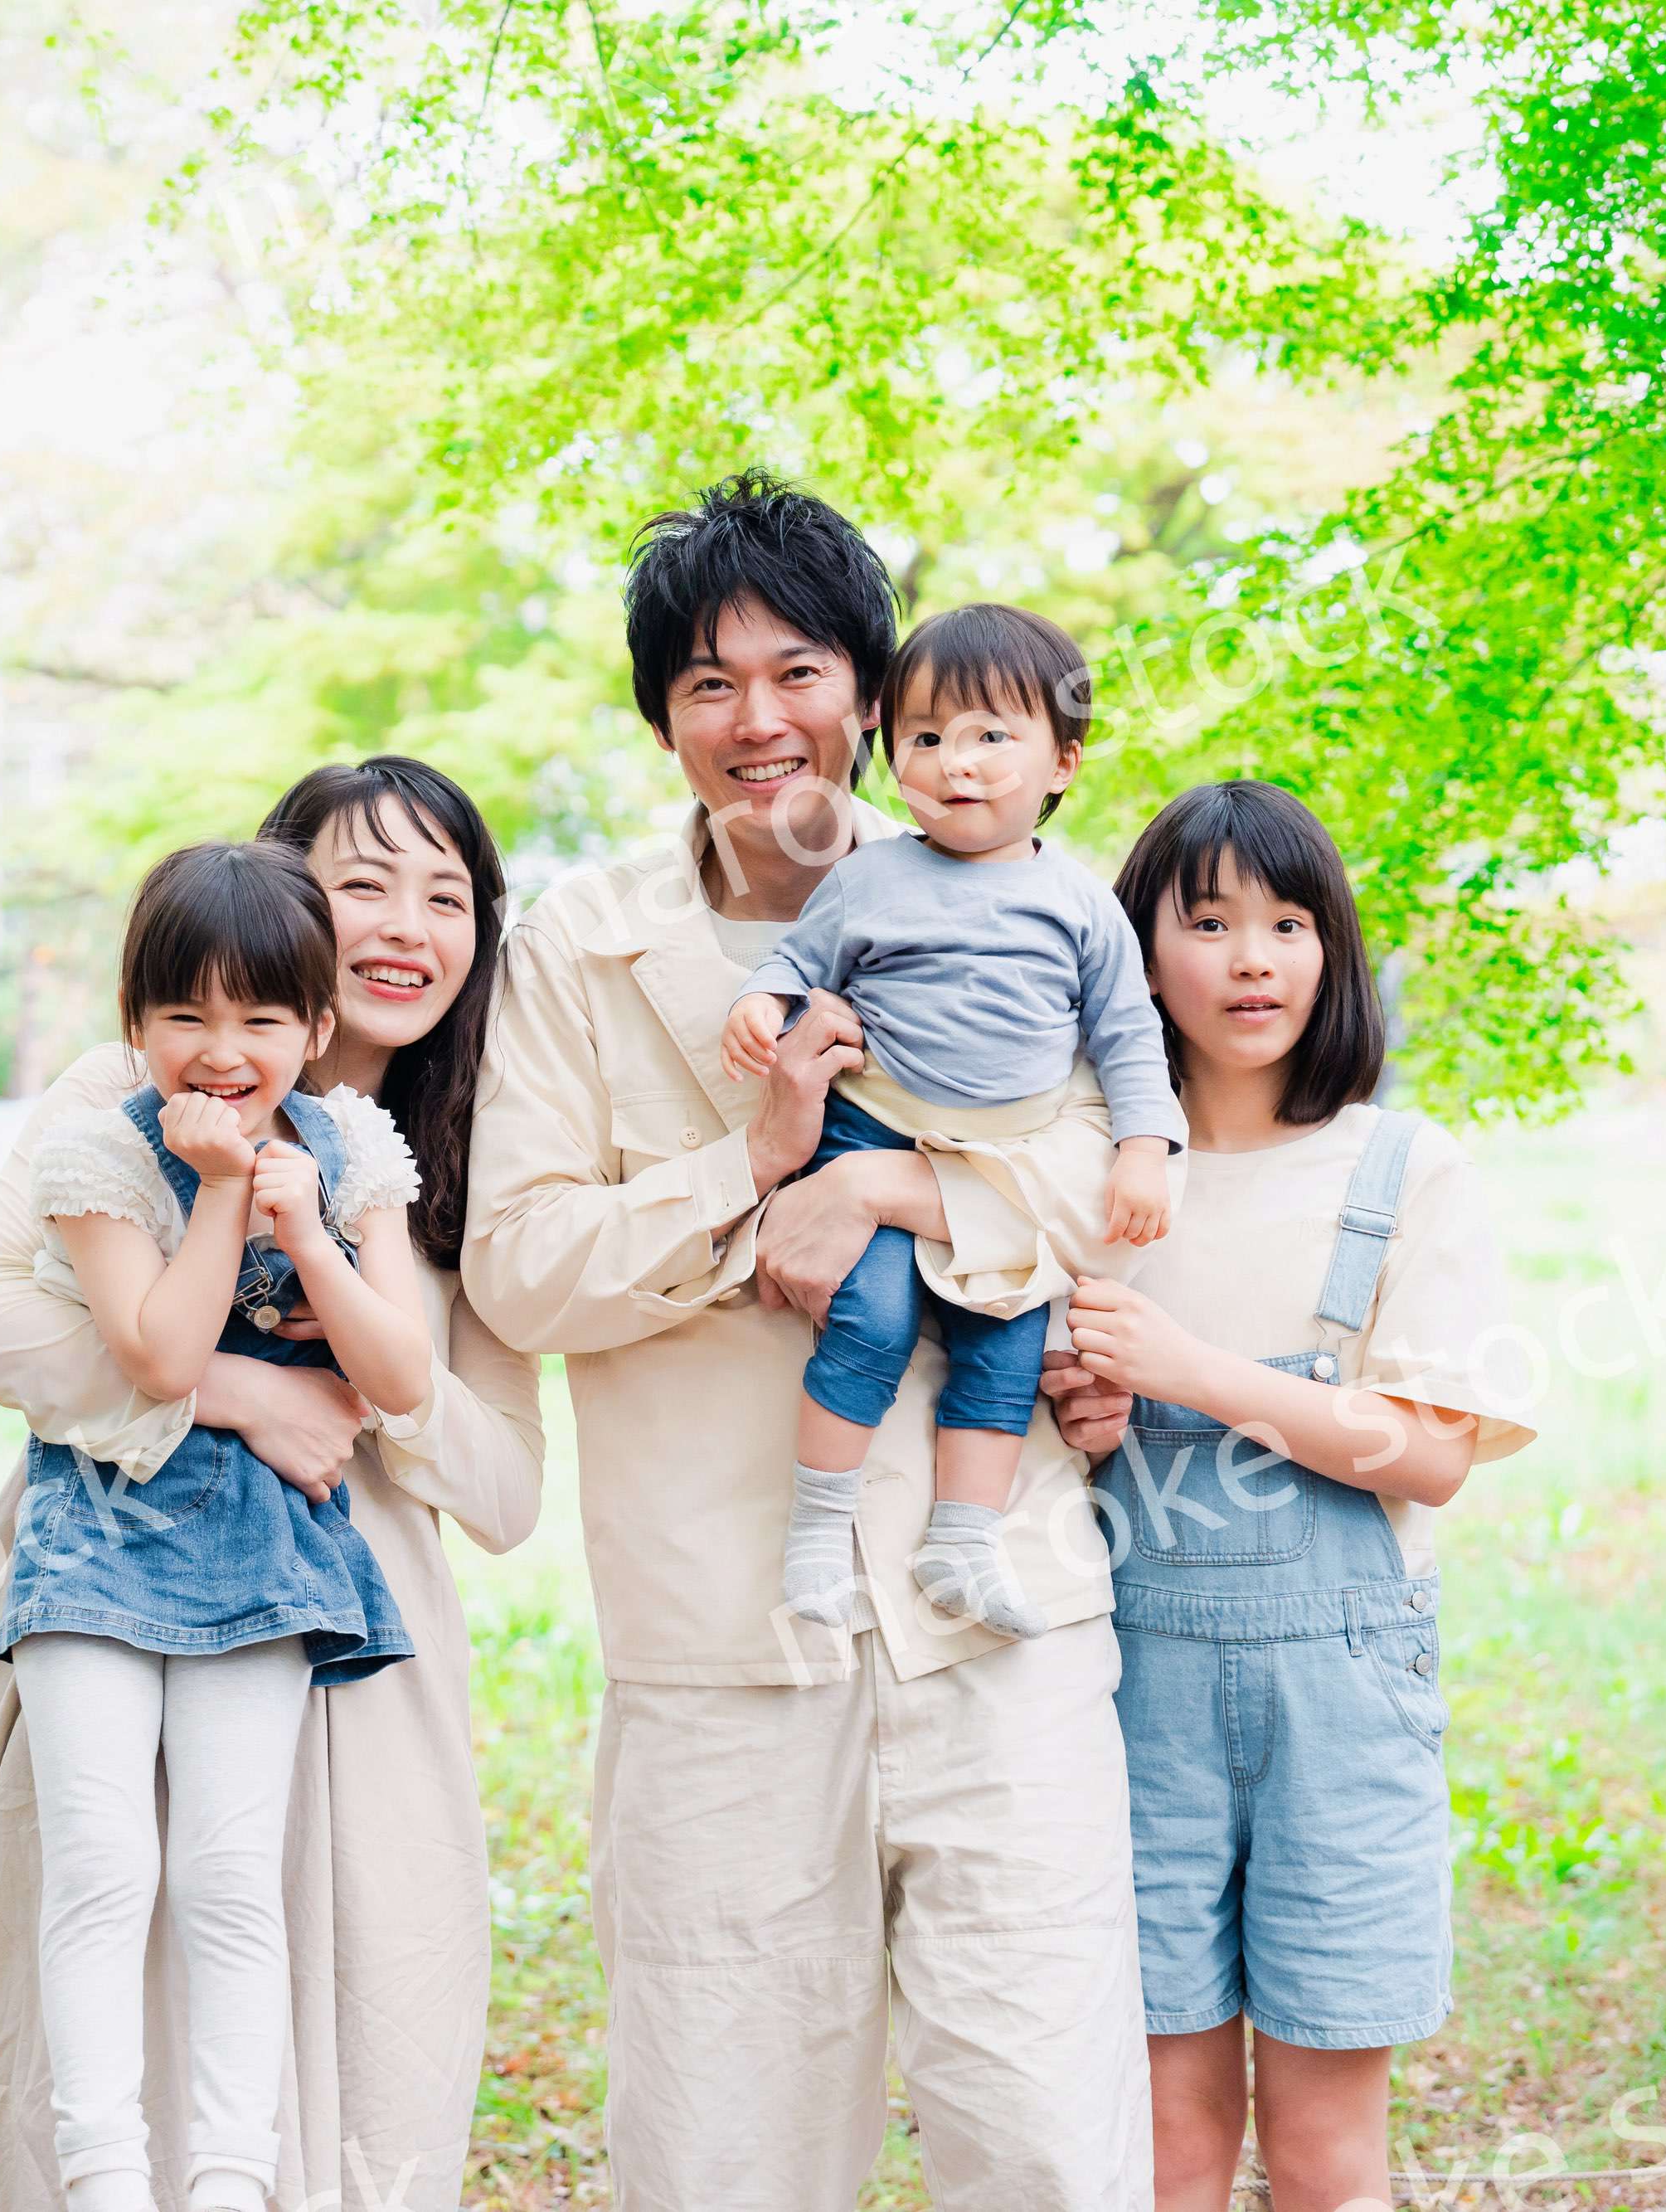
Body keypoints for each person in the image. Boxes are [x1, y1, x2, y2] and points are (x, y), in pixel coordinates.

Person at [460, 471, 1154, 2210]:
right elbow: (523, 1268)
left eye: (795, 672)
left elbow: (1116, 1172)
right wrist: (754, 1178)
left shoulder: (1033, 895)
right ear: (660, 718)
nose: (756, 720)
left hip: (1001, 1611)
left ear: (872, 685)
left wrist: (895, 1194)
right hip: (719, 1635)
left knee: (1048, 2132)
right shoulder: (580, 948)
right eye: (706, 684)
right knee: (720, 2147)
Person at [0, 758, 542, 2212]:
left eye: (444, 894)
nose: (403, 924)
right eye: (361, 882)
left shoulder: (445, 1159)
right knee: (99, 1952)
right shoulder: (129, 1093)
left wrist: (369, 1388)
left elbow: (507, 1491)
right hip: (111, 1576)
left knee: (358, 2052)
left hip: (354, 1634)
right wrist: (241, 1387)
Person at [1045, 781, 1537, 2212]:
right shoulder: (1094, 1179)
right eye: (1206, 922)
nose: (1252, 958)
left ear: (1333, 953)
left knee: (1326, 2160)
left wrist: (1194, 1370)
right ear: (1139, 957)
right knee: (1169, 2151)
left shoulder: (1400, 1164)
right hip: (1134, 1690)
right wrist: (1092, 1418)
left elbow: (1434, 1452)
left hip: (1343, 1704)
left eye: (1287, 921)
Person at [0, 837, 425, 2212]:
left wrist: (309, 1233)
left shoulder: (353, 1146)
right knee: (106, 1861)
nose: (220, 1049)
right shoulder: (94, 1156)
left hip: (264, 1549)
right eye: (184, 1013)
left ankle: (233, 2178)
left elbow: (403, 1376)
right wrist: (230, 1187)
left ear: (316, 1023)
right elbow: (164, 1358)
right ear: (136, 1023)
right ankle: (104, 2175)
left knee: (235, 1871)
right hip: (96, 1545)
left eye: (259, 1016)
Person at [722, 600, 1183, 1641]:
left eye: (990, 737)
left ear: (1061, 763)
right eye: (925, 738)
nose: (955, 763)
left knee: (1005, 1345)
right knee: (871, 1323)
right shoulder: (869, 878)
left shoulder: (1078, 904)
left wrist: (1145, 1150)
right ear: (892, 757)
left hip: (1005, 1163)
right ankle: (816, 1537)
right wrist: (761, 1004)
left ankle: (962, 1542)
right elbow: (795, 964)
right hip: (872, 1135)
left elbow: (1128, 1043)